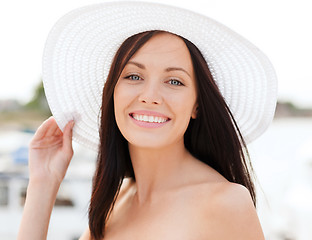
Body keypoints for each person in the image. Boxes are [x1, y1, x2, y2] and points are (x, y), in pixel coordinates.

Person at [18, 2, 277, 240]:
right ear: (113, 93)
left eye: (174, 81)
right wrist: (43, 182)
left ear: (197, 104)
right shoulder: (113, 205)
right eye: (133, 76)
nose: (150, 97)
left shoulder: (225, 202)